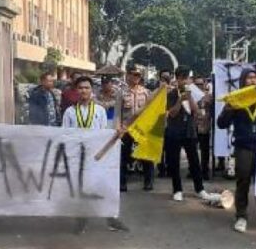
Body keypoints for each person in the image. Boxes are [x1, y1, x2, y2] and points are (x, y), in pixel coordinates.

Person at [216, 69, 256, 234]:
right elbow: (221, 124)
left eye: (255, 78)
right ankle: (241, 216)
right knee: (243, 181)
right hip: (244, 146)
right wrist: (229, 108)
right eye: (249, 78)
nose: (253, 81)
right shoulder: (237, 99)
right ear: (243, 81)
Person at [62, 75, 128, 233]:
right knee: (80, 188)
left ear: (92, 91)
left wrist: (117, 134)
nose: (84, 90)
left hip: (97, 155)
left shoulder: (99, 110)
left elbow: (105, 133)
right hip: (78, 156)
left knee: (103, 186)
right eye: (80, 88)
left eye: (87, 88)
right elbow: (64, 135)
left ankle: (111, 219)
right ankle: (81, 221)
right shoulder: (70, 112)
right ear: (76, 90)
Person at [165, 66, 220, 204]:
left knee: (194, 161)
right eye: (182, 78)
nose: (185, 81)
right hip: (174, 131)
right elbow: (172, 113)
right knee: (174, 162)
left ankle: (200, 189)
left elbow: (196, 111)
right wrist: (179, 100)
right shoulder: (171, 94)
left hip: (189, 131)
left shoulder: (192, 92)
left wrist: (189, 98)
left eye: (187, 78)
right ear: (177, 78)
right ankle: (177, 190)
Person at [118, 63, 154, 192]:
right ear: (128, 75)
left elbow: (151, 111)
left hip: (141, 129)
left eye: (139, 75)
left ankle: (148, 181)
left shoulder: (146, 93)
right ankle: (122, 183)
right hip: (126, 128)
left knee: (146, 156)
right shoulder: (121, 93)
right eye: (134, 74)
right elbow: (118, 113)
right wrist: (119, 128)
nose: (136, 77)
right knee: (123, 157)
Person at [192, 76, 214, 182]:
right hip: (192, 126)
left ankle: (204, 171)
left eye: (201, 84)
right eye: (196, 84)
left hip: (204, 126)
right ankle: (193, 170)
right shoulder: (190, 95)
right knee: (192, 150)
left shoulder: (209, 96)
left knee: (204, 151)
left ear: (205, 84)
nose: (199, 86)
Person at [158, 69, 175, 178]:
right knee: (160, 148)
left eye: (167, 78)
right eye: (163, 78)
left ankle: (170, 169)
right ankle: (161, 169)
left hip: (172, 123)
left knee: (170, 148)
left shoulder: (174, 91)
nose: (165, 80)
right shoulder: (156, 91)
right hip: (159, 122)